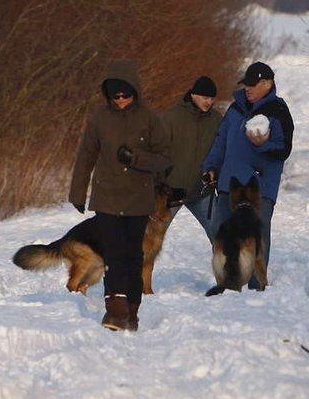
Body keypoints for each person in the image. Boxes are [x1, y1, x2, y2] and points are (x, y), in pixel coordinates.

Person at [68, 60, 171, 331]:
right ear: (108, 95)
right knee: (113, 256)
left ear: (135, 92)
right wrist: (77, 192)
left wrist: (137, 158)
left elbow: (164, 159)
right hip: (107, 198)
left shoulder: (149, 119)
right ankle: (114, 313)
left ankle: (132, 313)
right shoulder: (99, 120)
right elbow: (85, 156)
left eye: (126, 94)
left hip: (138, 199)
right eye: (116, 95)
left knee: (133, 257)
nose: (121, 99)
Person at [201, 61, 294, 290]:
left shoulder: (278, 111)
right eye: (246, 85)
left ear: (268, 83)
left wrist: (262, 145)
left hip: (258, 187)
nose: (248, 89)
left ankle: (256, 285)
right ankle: (227, 281)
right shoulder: (235, 109)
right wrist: (211, 166)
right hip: (228, 185)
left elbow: (283, 149)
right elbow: (221, 140)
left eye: (253, 85)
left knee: (256, 236)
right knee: (221, 232)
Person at [160, 76, 222, 240]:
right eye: (205, 97)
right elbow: (156, 152)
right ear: (193, 95)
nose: (208, 102)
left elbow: (221, 152)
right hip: (170, 192)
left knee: (222, 235)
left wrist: (216, 174)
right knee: (149, 240)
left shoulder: (216, 120)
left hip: (201, 191)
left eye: (211, 98)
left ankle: (227, 267)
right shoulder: (171, 117)